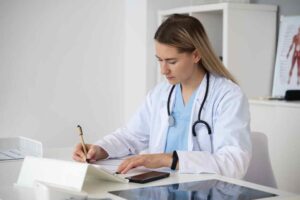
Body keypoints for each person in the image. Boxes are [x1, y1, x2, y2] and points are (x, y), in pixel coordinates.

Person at [73, 14, 251, 179]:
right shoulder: (161, 93)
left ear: (196, 55)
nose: (163, 70)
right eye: (160, 60)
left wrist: (168, 159)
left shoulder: (228, 96)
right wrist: (100, 149)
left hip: (202, 191)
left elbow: (234, 162)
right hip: (162, 187)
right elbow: (131, 135)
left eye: (172, 62)